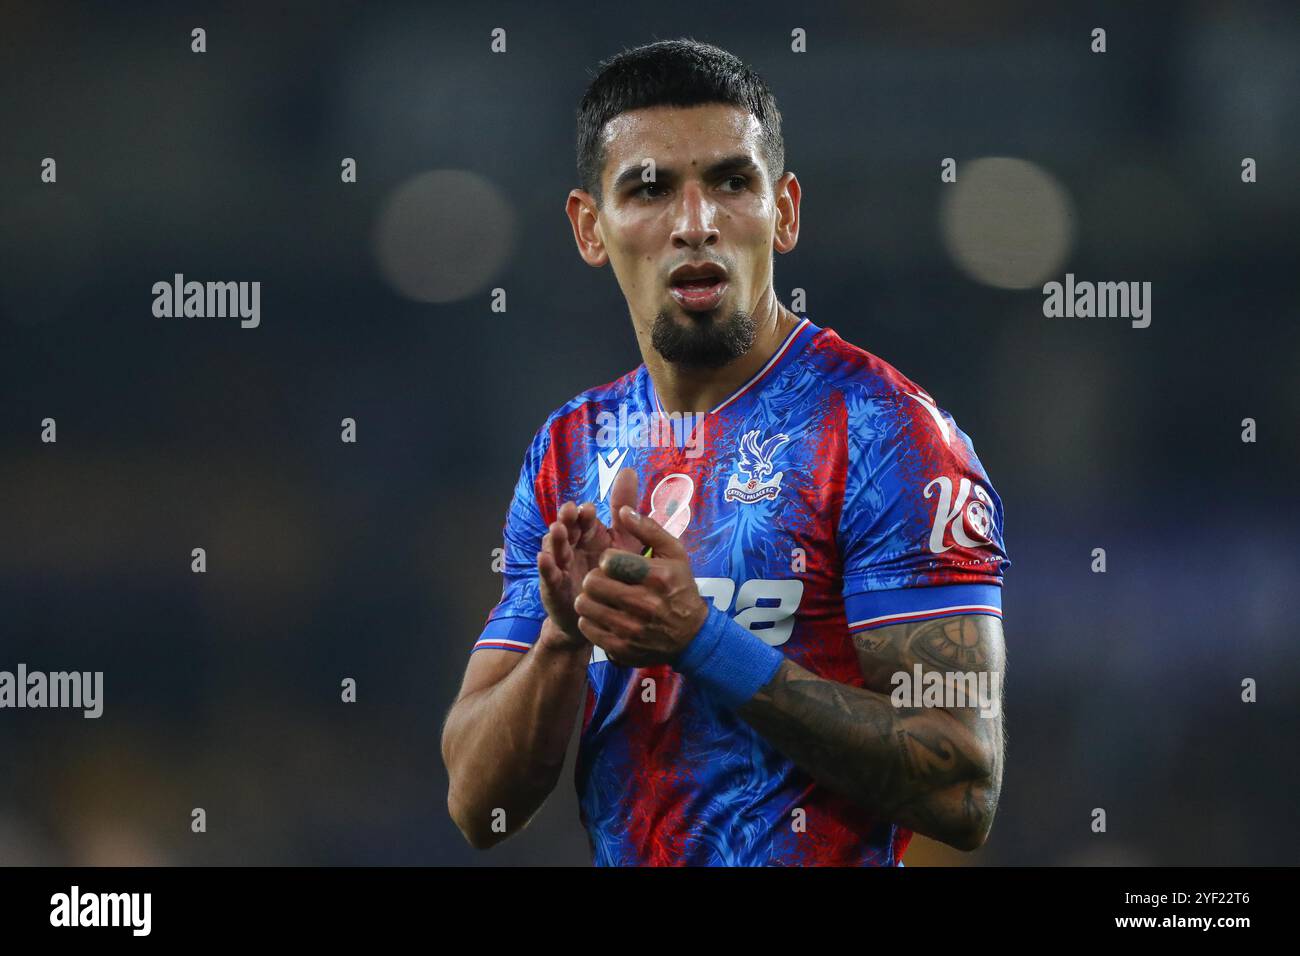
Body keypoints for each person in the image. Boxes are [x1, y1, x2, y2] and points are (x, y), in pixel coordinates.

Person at [441, 38, 1010, 866]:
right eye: (650, 188)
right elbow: (476, 810)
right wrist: (564, 640)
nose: (696, 222)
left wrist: (702, 638)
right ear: (590, 227)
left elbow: (964, 790)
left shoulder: (885, 433)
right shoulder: (571, 448)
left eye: (731, 182)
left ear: (783, 211)